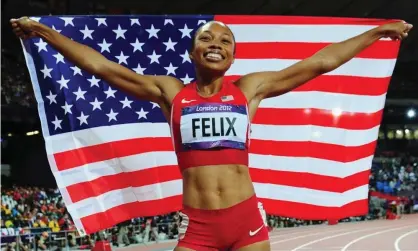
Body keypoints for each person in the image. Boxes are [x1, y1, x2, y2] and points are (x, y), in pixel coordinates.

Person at [10, 16, 412, 251]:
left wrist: (375, 34)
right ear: (192, 51)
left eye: (225, 41)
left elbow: (319, 62)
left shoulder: (248, 88)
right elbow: (105, 69)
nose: (216, 44)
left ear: (234, 55)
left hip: (246, 219)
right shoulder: (170, 92)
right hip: (197, 224)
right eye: (207, 38)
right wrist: (45, 33)